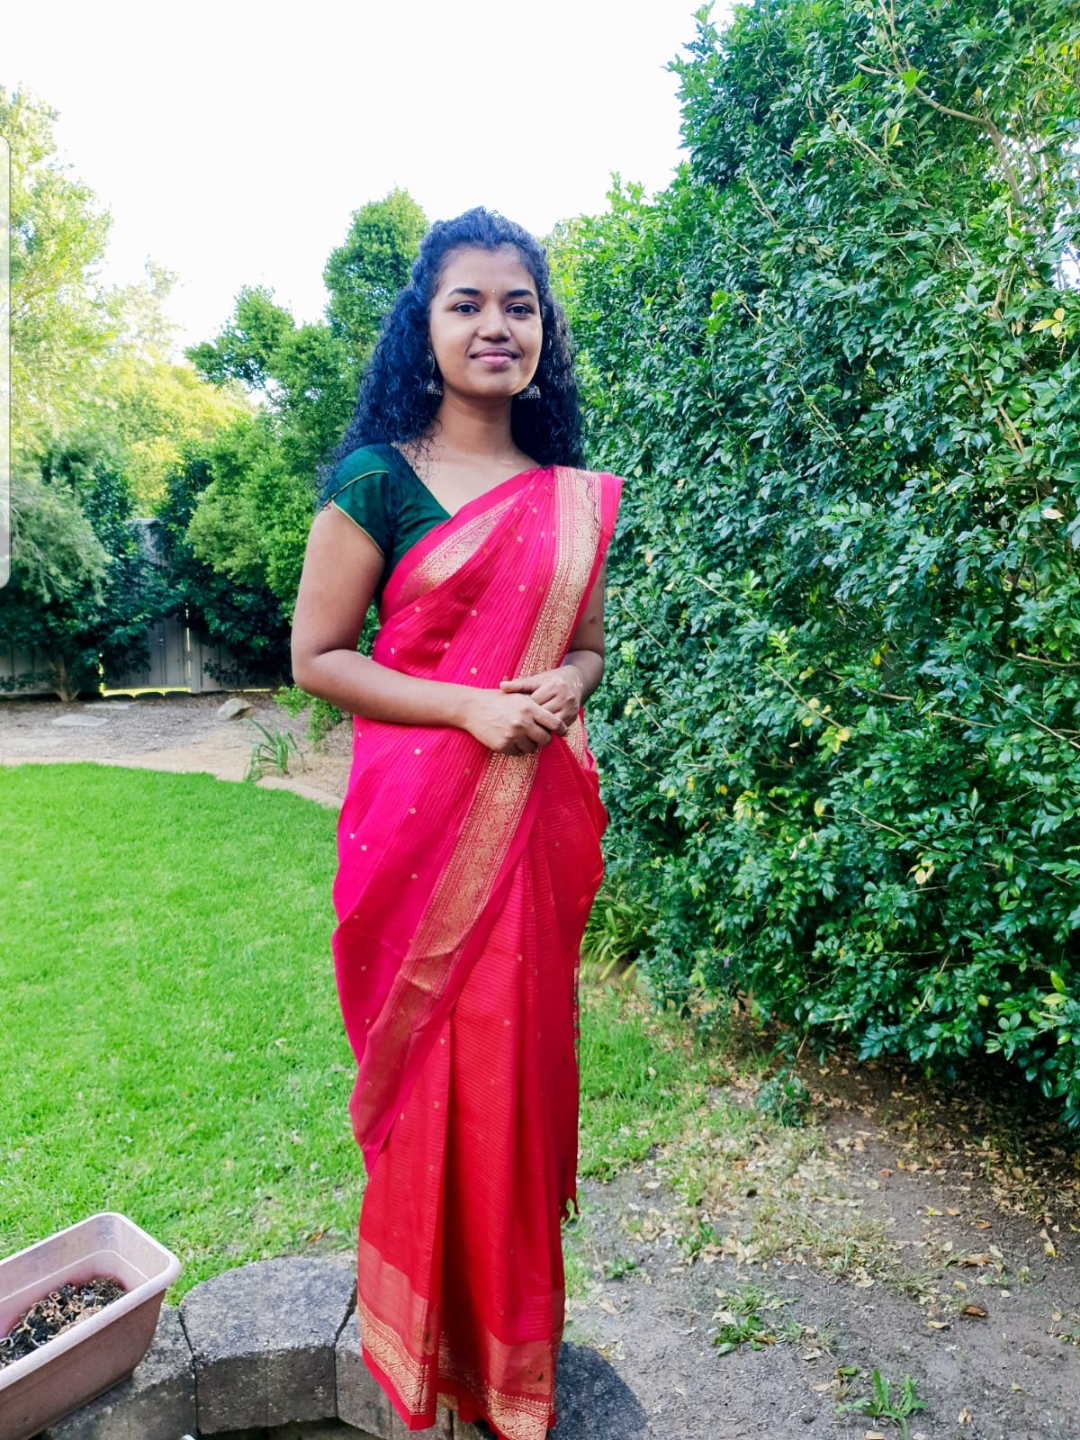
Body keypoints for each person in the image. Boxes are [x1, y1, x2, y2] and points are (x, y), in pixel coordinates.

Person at [291, 207, 622, 1440]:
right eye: (467, 303)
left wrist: (564, 687)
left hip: (524, 832)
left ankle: (505, 1363)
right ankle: (423, 1345)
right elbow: (319, 656)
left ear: (544, 330)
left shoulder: (571, 499)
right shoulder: (377, 477)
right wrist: (471, 708)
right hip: (420, 832)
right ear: (422, 328)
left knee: (511, 1082)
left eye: (519, 305)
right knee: (435, 1077)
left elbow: (586, 650)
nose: (496, 325)